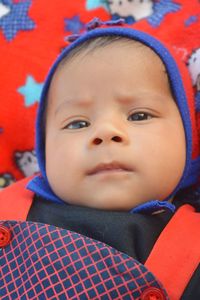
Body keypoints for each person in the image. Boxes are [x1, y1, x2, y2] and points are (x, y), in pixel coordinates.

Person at [1, 18, 200, 299]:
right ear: (44, 150)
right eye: (77, 124)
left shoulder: (193, 245)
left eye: (139, 115)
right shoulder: (8, 207)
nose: (105, 133)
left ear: (188, 139)